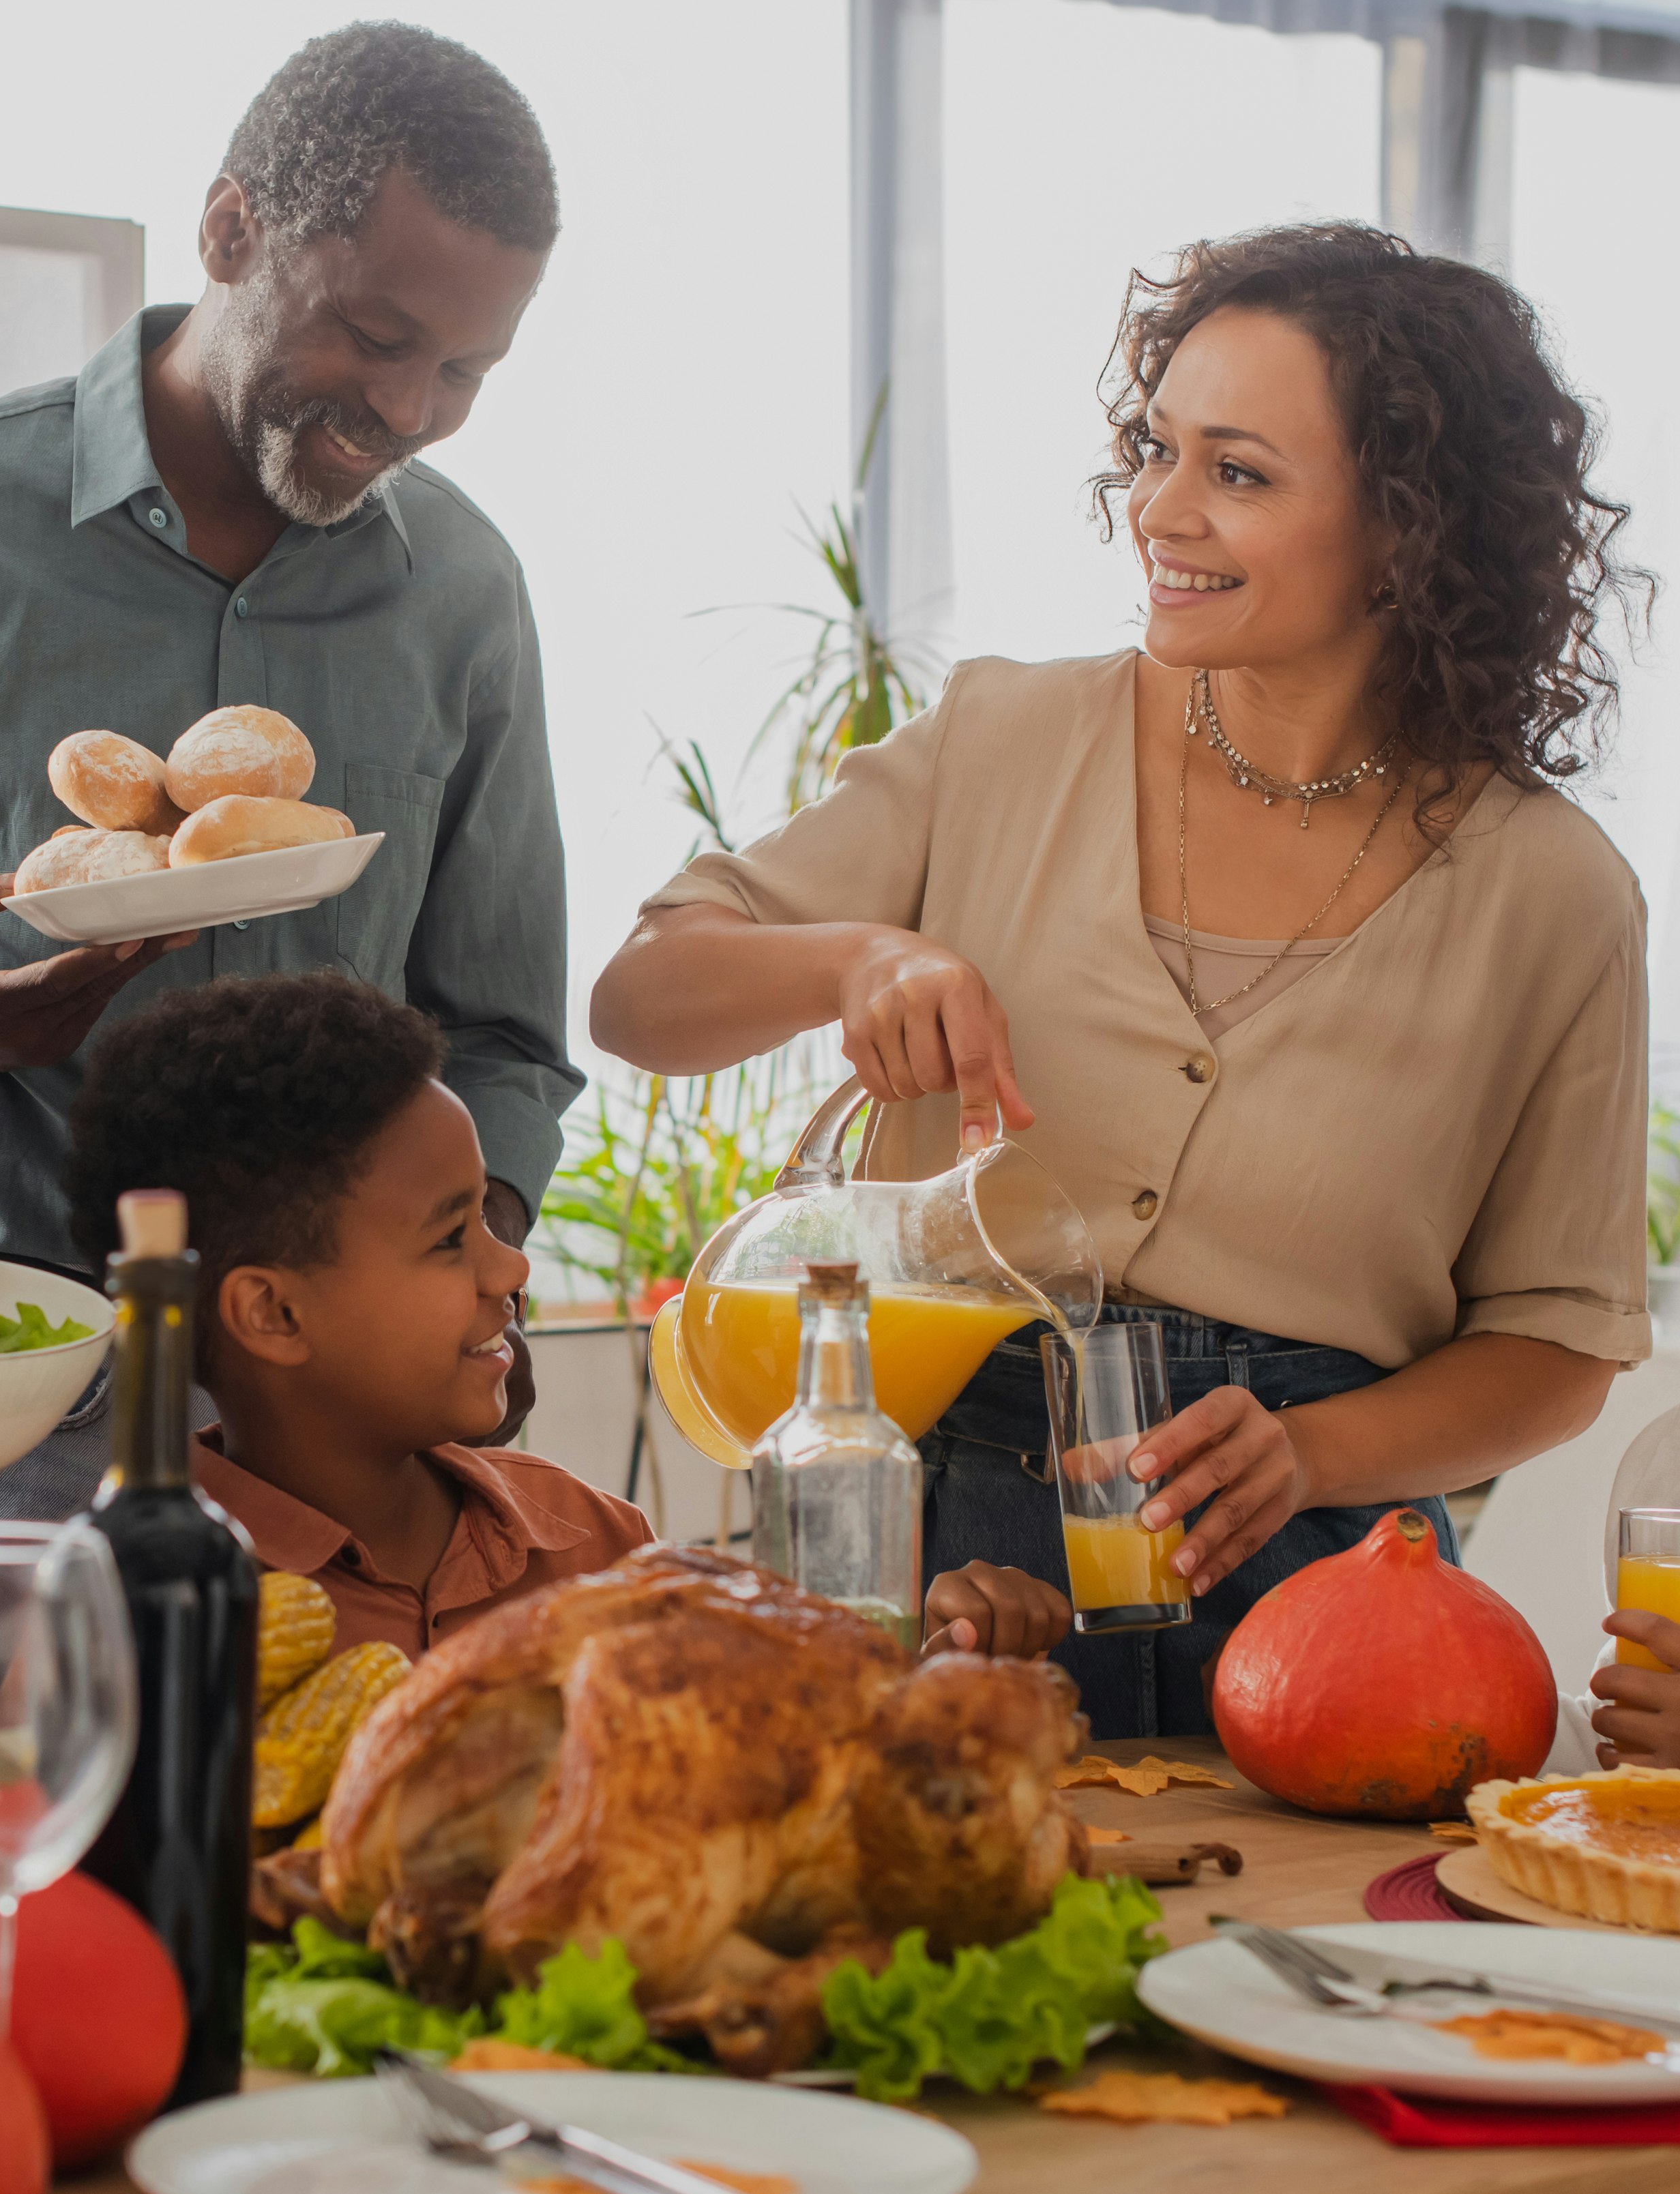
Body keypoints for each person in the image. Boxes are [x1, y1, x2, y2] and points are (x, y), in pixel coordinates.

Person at [593, 222, 1648, 1740]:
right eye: (1159, 451)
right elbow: (641, 993)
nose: (1159, 508)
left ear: (1410, 527)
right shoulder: (1005, 740)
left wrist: (1314, 1452)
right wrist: (858, 956)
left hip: (1326, 1607)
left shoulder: (1554, 893)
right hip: (950, 1561)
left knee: (1294, 1963)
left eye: (1240, 472)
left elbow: (1555, 1346)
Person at [0, 23, 585, 1631]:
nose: (407, 408)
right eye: (376, 335)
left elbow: (505, 1033)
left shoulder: (463, 593)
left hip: (331, 1463)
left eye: (464, 372)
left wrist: (477, 1275)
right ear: (233, 230)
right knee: (6, 1871)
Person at [60, 973, 1072, 1661]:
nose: (512, 1267)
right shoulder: (126, 1608)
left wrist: (925, 1670)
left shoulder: (592, 1543)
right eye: (449, 1236)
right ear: (273, 1313)